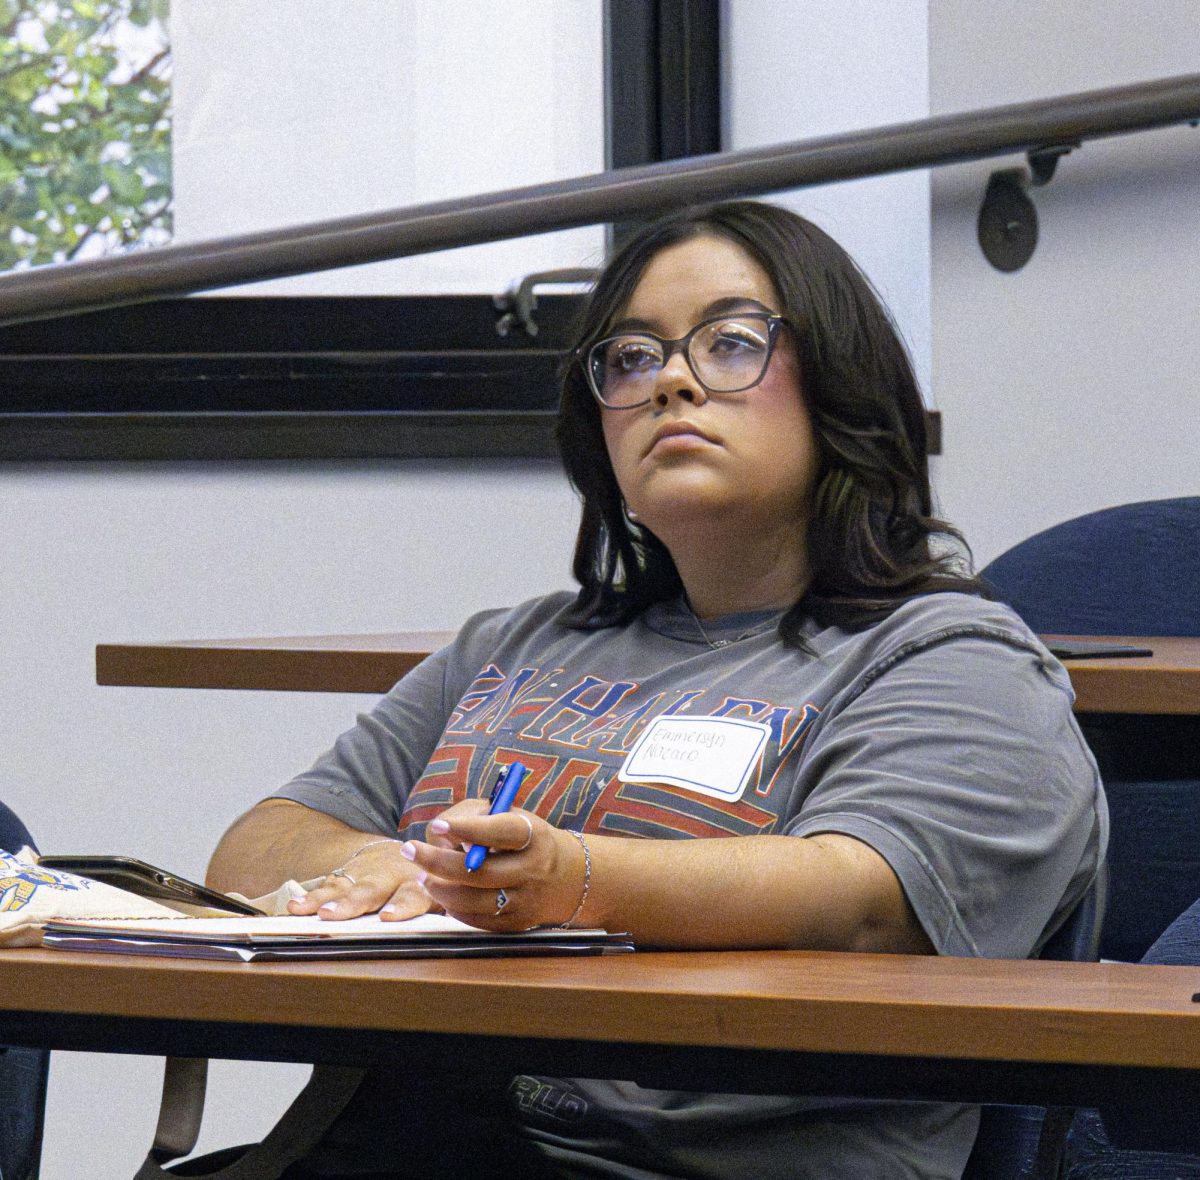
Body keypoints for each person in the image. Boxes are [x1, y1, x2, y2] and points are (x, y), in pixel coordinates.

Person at [207, 200, 1107, 1179]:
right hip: (404, 1134)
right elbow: (260, 845)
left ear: (839, 384)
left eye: (728, 343)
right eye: (631, 359)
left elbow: (853, 897)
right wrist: (381, 863)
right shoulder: (514, 646)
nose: (670, 380)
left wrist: (569, 881)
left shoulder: (955, 661)